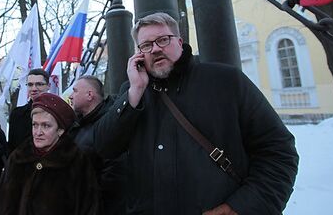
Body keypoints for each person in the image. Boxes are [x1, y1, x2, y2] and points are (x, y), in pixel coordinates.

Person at [95, 12, 299, 214]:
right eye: (146, 45)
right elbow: (105, 147)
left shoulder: (225, 81)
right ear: (139, 54)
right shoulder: (133, 92)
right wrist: (134, 92)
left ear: (180, 42)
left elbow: (278, 152)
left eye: (163, 40)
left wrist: (241, 207)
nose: (156, 49)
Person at [0, 93, 99, 215]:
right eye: (35, 125)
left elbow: (88, 208)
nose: (38, 132)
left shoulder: (76, 161)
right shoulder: (18, 157)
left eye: (46, 126)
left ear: (60, 130)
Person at [69, 75, 126, 215]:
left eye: (75, 91)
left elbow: (113, 174)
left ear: (90, 95)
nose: (70, 96)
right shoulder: (79, 124)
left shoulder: (110, 125)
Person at [7, 68, 50, 152]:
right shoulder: (17, 114)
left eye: (39, 84)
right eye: (30, 84)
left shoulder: (57, 113)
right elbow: (12, 146)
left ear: (48, 86)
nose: (34, 88)